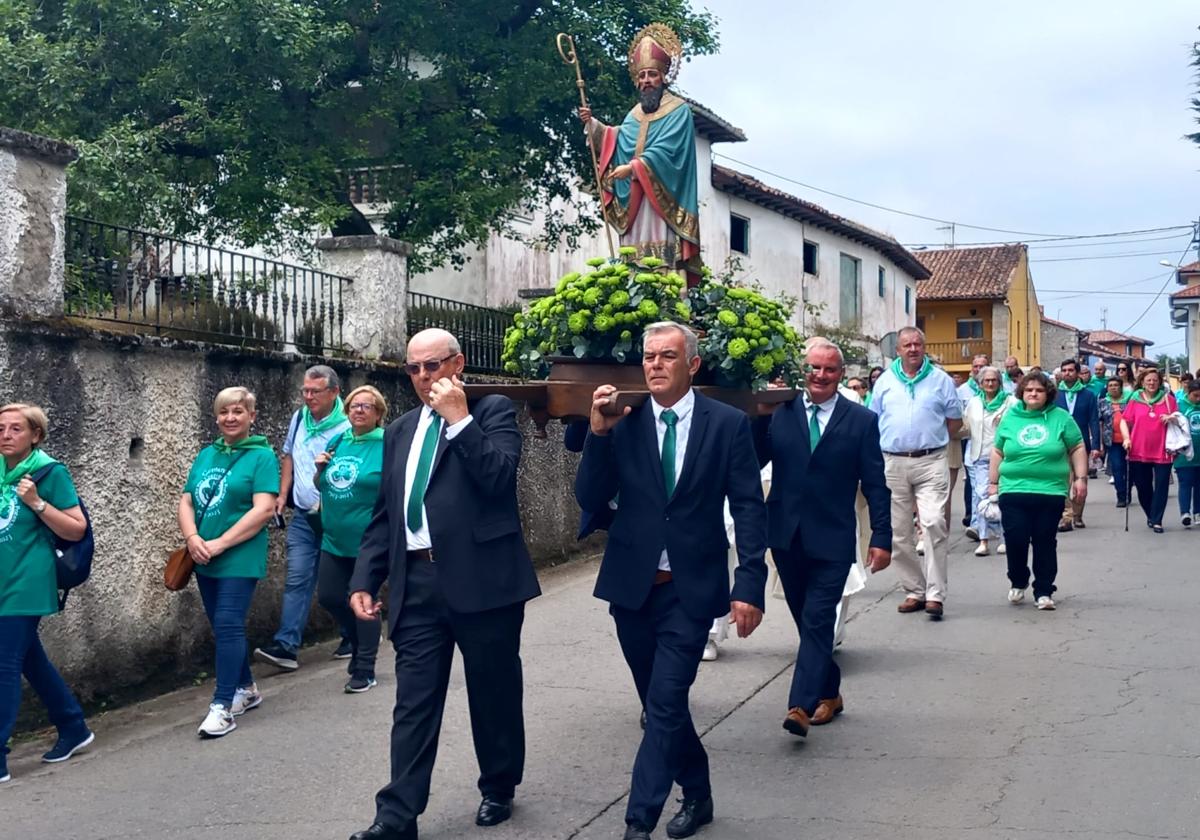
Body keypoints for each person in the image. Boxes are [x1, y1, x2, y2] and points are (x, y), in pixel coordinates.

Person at [576, 321, 767, 840]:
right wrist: (596, 431)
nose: (655, 365)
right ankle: (699, 794)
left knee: (663, 704)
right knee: (663, 706)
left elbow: (749, 507)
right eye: (649, 357)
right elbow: (590, 497)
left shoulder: (726, 424)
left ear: (692, 365)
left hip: (690, 589)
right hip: (632, 589)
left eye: (667, 356)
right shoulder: (625, 421)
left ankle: (639, 821)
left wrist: (749, 584)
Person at [347, 329, 540, 840]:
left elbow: (498, 479)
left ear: (457, 364)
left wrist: (459, 420)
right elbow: (385, 514)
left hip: (484, 581)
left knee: (493, 690)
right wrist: (366, 576)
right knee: (413, 700)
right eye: (413, 369)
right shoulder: (401, 431)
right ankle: (397, 814)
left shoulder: (492, 411)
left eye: (432, 366)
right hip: (417, 580)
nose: (423, 377)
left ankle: (499, 784)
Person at [752, 340, 891, 737]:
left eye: (829, 369)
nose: (821, 375)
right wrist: (758, 416)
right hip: (785, 534)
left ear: (840, 374)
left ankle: (800, 703)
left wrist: (881, 536)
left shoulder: (861, 420)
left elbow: (876, 484)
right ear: (804, 369)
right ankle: (831, 691)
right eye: (814, 367)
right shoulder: (780, 412)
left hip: (832, 537)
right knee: (806, 621)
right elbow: (752, 457)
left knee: (817, 618)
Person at [177, 387, 279, 738]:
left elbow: (264, 508)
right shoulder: (207, 454)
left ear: (252, 416)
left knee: (228, 623)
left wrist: (220, 543)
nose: (230, 418)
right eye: (224, 412)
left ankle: (221, 707)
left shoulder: (262, 457)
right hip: (203, 554)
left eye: (238, 411)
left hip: (239, 554)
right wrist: (193, 539)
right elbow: (187, 500)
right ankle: (246, 689)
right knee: (222, 627)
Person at [0, 404, 92, 783]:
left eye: (15, 429)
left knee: (3, 664)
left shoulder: (50, 472)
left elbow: (75, 529)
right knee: (27, 659)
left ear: (35, 435)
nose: (5, 435)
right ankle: (73, 726)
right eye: (1, 428)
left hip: (28, 580)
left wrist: (37, 502)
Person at [578, 24, 701, 282]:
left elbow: (669, 152)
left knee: (659, 256)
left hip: (662, 199)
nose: (646, 80)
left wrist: (634, 167)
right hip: (635, 198)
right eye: (642, 75)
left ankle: (665, 292)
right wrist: (594, 126)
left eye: (652, 74)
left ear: (663, 77)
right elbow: (619, 138)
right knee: (634, 258)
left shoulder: (679, 111)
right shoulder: (634, 114)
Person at [255, 365, 351, 672]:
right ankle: (286, 646)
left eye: (315, 392)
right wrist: (283, 495)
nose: (308, 397)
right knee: (297, 579)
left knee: (334, 587)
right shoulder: (299, 419)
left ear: (334, 392)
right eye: (305, 391)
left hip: (337, 519)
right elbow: (289, 457)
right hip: (303, 518)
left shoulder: (348, 426)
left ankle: (357, 633)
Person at [869, 327, 962, 620]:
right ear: (898, 350)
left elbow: (954, 421)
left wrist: (930, 441)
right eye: (907, 345)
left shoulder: (941, 380)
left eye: (918, 344)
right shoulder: (884, 382)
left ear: (924, 347)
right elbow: (873, 421)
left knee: (933, 521)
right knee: (899, 531)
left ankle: (935, 594)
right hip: (892, 462)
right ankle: (914, 590)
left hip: (930, 460)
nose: (913, 349)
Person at [989, 371, 1088, 611]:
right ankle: (1018, 579)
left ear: (1048, 394)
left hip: (1050, 491)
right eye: (1029, 389)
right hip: (1013, 489)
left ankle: (1044, 590)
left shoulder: (1061, 417)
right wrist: (993, 482)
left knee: (1044, 541)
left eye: (1039, 390)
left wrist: (1081, 479)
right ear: (1021, 393)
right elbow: (998, 451)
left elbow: (1077, 446)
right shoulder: (1010, 418)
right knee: (1016, 539)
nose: (1033, 393)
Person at [315, 385, 387, 694]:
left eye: (366, 406)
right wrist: (319, 471)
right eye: (354, 406)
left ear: (378, 414)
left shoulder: (386, 443)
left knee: (364, 601)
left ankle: (365, 668)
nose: (358, 410)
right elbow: (323, 485)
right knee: (330, 596)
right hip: (333, 538)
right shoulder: (338, 440)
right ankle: (358, 643)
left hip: (368, 540)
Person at [961, 366, 1017, 556]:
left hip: (1005, 456)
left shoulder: (1011, 403)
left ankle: (1005, 538)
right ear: (980, 383)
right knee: (982, 498)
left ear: (999, 382)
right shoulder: (974, 402)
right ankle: (983, 540)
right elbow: (965, 427)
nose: (990, 383)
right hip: (978, 457)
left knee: (1004, 497)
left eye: (994, 380)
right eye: (987, 381)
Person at [1120, 368, 1178, 533]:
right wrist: (1126, 438)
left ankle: (1157, 519)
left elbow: (1179, 419)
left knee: (1161, 486)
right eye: (1148, 380)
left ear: (1159, 382)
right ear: (1142, 382)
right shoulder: (1135, 399)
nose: (1152, 383)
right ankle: (1151, 515)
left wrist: (1172, 418)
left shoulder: (1168, 400)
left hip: (1163, 449)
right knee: (1143, 486)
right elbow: (1124, 421)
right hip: (1139, 448)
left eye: (1155, 380)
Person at [1053, 359, 1101, 531]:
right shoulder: (1055, 395)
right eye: (1064, 370)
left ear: (1078, 373)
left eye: (1071, 370)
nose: (1067, 373)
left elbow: (1094, 421)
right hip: (1060, 445)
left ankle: (1078, 515)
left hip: (1081, 445)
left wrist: (1096, 445)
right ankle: (1066, 517)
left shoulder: (1088, 395)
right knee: (1063, 482)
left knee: (1081, 482)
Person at [1174, 381, 1200, 528]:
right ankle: (1185, 512)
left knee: (1199, 484)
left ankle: (1198, 511)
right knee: (1185, 483)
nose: (1198, 399)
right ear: (1188, 393)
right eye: (1195, 396)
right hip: (1184, 454)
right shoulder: (1179, 406)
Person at [1101, 377, 1130, 507]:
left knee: (1129, 469)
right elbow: (1099, 422)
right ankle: (1121, 495)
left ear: (1121, 387)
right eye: (1110, 385)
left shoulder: (1129, 402)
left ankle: (1128, 491)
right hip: (1112, 442)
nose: (1113, 387)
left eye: (1116, 385)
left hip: (1130, 440)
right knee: (1117, 468)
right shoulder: (1102, 403)